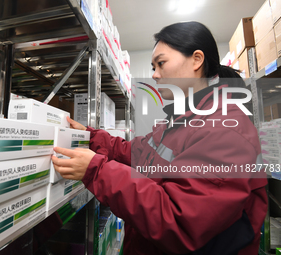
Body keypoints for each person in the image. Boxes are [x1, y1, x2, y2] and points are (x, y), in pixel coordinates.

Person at [51, 21, 268, 255]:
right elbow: (135, 152)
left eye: (161, 64)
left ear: (197, 59)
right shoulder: (182, 119)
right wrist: (90, 136)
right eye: (153, 66)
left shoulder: (225, 130)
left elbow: (179, 220)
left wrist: (96, 170)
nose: (154, 75)